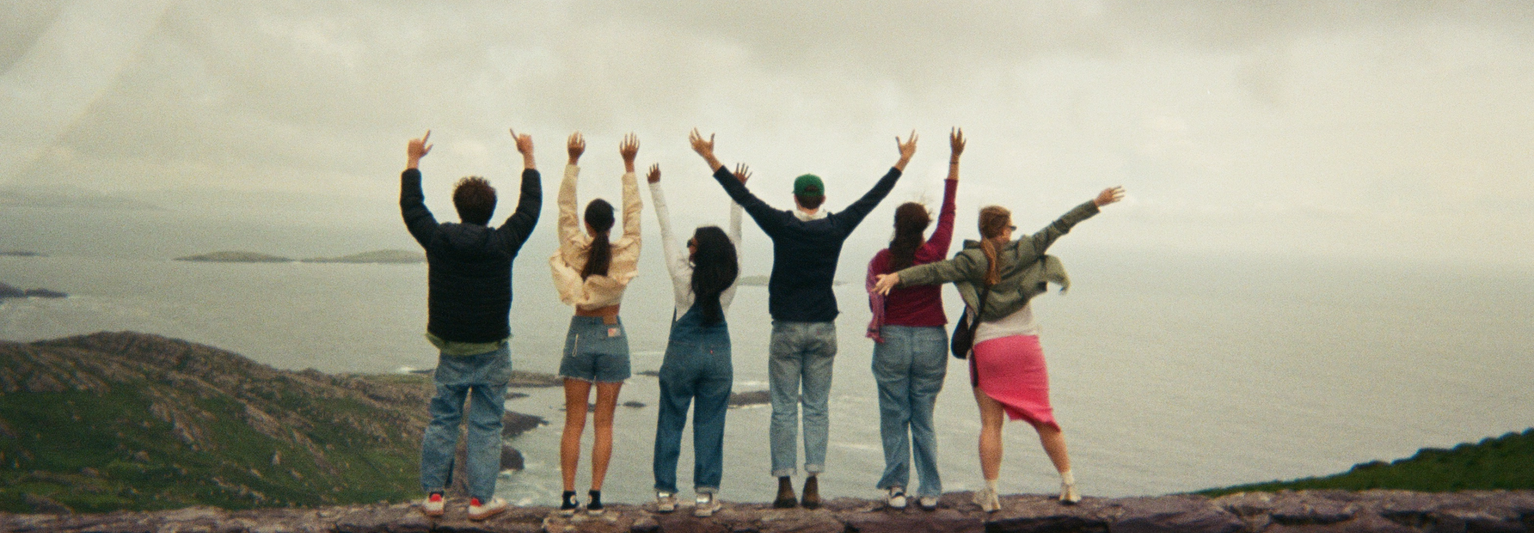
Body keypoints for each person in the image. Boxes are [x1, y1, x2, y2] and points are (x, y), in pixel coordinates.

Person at [689, 128, 917, 509]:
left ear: (795, 198)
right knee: (816, 406)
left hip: (786, 328)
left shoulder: (783, 224)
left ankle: (784, 486)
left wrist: (710, 158)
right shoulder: (836, 226)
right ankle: (813, 481)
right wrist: (903, 161)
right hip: (824, 327)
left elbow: (743, 196)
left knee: (782, 408)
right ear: (823, 199)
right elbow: (871, 199)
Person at [873, 185, 1126, 511]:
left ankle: (991, 494)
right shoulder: (1027, 250)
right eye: (1009, 227)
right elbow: (1061, 224)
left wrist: (897, 277)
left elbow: (936, 271)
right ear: (1005, 230)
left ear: (983, 231)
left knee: (991, 425)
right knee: (1044, 418)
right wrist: (1096, 202)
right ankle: (1070, 485)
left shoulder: (972, 260)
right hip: (1026, 346)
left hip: (989, 349)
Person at [400, 129, 542, 521]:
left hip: (451, 347)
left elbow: (413, 209)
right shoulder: (503, 242)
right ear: (490, 210)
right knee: (486, 424)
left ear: (458, 207)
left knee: (443, 419)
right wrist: (528, 155)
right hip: (493, 348)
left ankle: (433, 496)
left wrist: (413, 161)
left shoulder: (440, 239)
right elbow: (530, 208)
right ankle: (480, 501)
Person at [863, 128, 965, 511]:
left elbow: (874, 300)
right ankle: (931, 489)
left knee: (894, 415)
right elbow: (950, 209)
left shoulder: (881, 261)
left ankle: (896, 488)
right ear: (923, 228)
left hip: (891, 340)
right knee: (923, 416)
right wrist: (954, 159)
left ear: (896, 225)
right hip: (930, 341)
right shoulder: (935, 251)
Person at [550, 132, 643, 517]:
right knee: (604, 423)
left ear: (588, 225)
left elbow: (565, 210)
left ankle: (568, 498)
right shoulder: (626, 250)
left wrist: (573, 160)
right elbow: (635, 217)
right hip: (612, 334)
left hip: (579, 335)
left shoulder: (574, 247)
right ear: (610, 225)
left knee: (574, 422)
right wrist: (629, 167)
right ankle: (595, 497)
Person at [647, 162, 748, 517]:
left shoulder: (680, 274)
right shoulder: (730, 279)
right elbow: (736, 236)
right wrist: (737, 194)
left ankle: (665, 494)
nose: (687, 242)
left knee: (671, 420)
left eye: (692, 241)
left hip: (682, 354)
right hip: (718, 355)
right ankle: (705, 496)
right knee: (710, 424)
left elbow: (664, 230)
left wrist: (656, 188)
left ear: (695, 252)